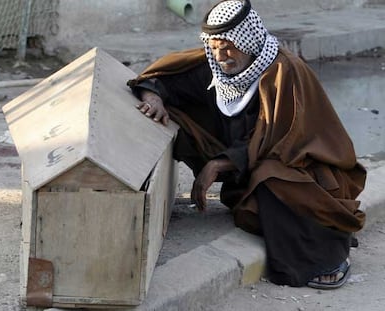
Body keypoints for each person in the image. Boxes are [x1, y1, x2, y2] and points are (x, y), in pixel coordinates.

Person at [127, 0, 366, 289]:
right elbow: (161, 81)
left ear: (247, 39)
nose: (221, 55)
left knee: (271, 180)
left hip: (301, 165)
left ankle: (330, 258)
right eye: (214, 47)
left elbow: (280, 141)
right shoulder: (217, 67)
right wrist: (153, 99)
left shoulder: (284, 72)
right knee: (176, 117)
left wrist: (218, 164)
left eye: (228, 46)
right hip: (247, 163)